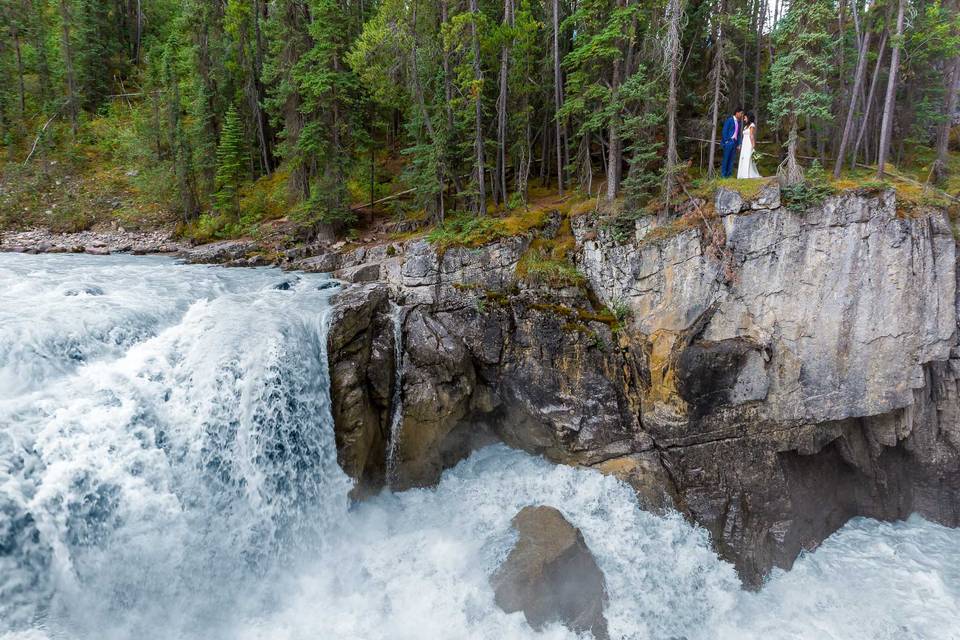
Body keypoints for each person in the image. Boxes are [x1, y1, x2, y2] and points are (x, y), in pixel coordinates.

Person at [737, 111, 762, 179]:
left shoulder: (752, 125)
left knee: (748, 157)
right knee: (743, 157)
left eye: (745, 118)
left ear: (748, 118)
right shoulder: (745, 127)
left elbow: (751, 136)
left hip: (748, 144)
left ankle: (747, 174)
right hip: (744, 144)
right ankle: (742, 174)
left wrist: (753, 145)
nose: (744, 119)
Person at [720, 108, 744, 178]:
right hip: (728, 142)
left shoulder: (739, 122)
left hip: (735, 143)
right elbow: (724, 131)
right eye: (741, 113)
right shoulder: (729, 120)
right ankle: (723, 175)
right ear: (737, 113)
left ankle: (729, 175)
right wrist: (727, 141)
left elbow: (738, 134)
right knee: (726, 159)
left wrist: (739, 143)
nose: (741, 115)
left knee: (731, 159)